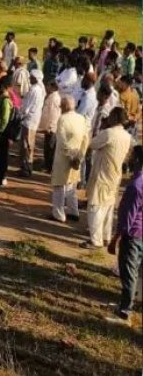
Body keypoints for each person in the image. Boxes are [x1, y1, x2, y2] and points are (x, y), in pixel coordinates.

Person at [104, 145, 143, 325]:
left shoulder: (135, 186)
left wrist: (115, 239)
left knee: (129, 272)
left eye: (131, 155)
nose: (128, 157)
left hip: (133, 235)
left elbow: (128, 218)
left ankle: (124, 312)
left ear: (136, 160)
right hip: (139, 233)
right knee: (135, 271)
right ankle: (127, 302)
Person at [84, 107, 132, 249]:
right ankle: (105, 237)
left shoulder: (108, 133)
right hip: (115, 175)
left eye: (111, 116)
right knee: (108, 207)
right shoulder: (127, 136)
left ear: (115, 118)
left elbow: (92, 144)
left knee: (96, 206)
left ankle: (95, 240)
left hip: (102, 174)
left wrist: (102, 129)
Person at [49, 96, 89, 223]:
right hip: (76, 157)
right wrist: (79, 157)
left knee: (59, 185)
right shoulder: (81, 118)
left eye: (61, 106)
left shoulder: (63, 119)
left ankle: (59, 214)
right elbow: (85, 139)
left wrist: (70, 156)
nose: (60, 108)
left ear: (65, 106)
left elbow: (61, 141)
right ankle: (73, 211)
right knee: (71, 185)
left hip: (63, 158)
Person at [19, 70, 46, 177]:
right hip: (31, 119)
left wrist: (21, 115)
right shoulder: (37, 89)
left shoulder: (35, 90)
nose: (30, 79)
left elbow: (27, 106)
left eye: (31, 77)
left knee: (27, 145)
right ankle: (25, 167)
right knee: (27, 144)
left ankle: (26, 169)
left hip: (29, 120)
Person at [39, 80, 62, 173]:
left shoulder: (55, 98)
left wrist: (50, 127)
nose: (46, 87)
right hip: (48, 126)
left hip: (51, 128)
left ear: (52, 87)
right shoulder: (52, 96)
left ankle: (49, 167)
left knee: (50, 148)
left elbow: (54, 114)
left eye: (48, 85)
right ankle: (47, 165)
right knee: (47, 147)